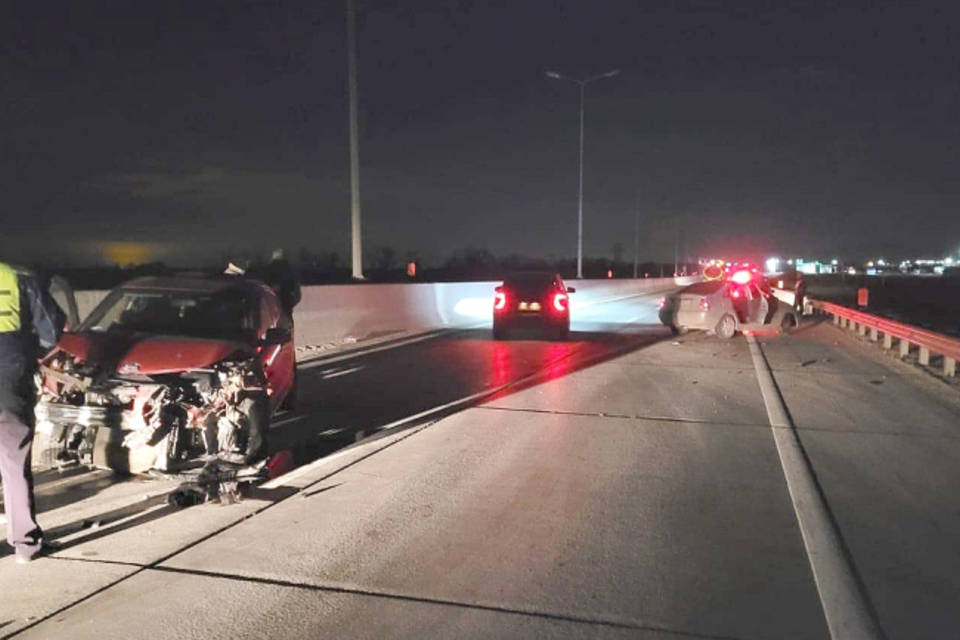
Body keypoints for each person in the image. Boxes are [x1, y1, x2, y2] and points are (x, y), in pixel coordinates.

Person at [0, 262, 64, 563]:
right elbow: (51, 330)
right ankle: (25, 545)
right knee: (13, 461)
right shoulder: (19, 278)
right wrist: (26, 353)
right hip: (8, 379)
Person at [260, 249, 301, 315]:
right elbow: (297, 295)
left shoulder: (266, 271)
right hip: (284, 310)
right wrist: (289, 304)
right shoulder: (290, 272)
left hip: (271, 312)